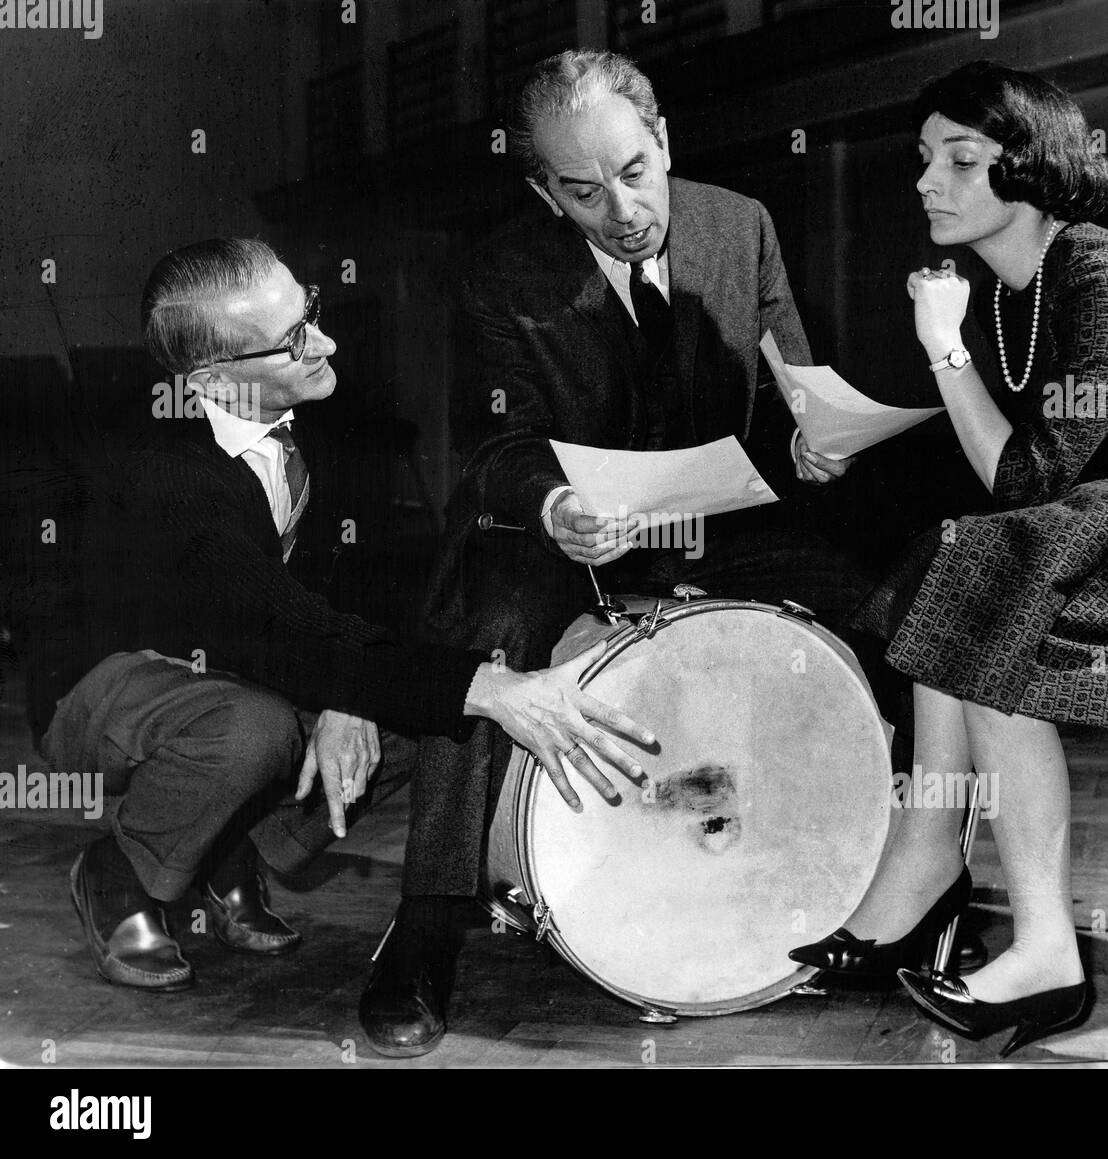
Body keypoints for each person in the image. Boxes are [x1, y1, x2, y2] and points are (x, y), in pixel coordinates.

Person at [375, 48, 913, 1056]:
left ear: (662, 138)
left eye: (633, 170)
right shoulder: (496, 274)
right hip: (568, 535)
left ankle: (900, 891)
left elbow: (797, 379)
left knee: (902, 614)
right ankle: (427, 925)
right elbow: (496, 441)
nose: (621, 209)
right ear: (544, 190)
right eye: (582, 191)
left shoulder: (739, 223)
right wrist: (555, 505)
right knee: (482, 641)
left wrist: (815, 436)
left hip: (719, 520)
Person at [791, 60, 1108, 1056]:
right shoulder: (1016, 295)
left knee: (991, 563)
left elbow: (1024, 483)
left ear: (1028, 168)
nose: (926, 181)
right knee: (960, 559)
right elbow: (1020, 478)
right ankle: (931, 858)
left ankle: (1029, 943)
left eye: (960, 159)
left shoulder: (1099, 273)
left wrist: (942, 350)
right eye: (922, 160)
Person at [37, 239, 653, 1041]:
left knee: (423, 716)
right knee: (254, 730)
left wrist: (350, 692)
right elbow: (277, 628)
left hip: (249, 662)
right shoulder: (166, 469)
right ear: (213, 382)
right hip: (107, 680)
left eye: (312, 313)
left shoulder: (323, 408)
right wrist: (470, 686)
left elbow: (368, 587)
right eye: (293, 340)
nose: (324, 344)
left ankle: (227, 851)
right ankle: (123, 868)